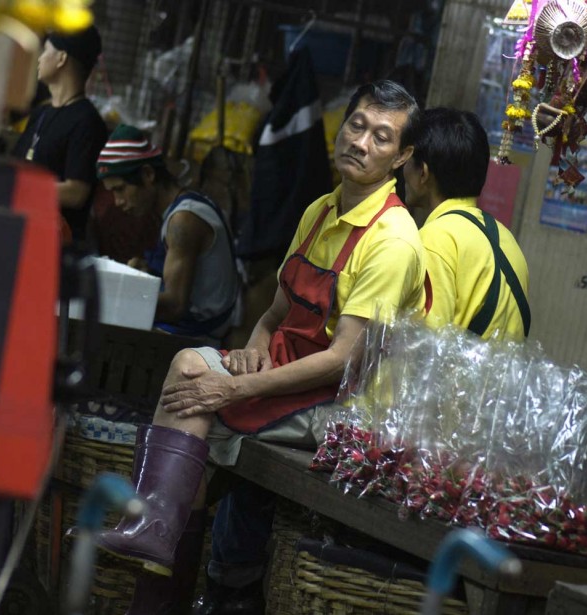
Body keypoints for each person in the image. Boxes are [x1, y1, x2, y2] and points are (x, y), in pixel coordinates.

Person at [91, 80, 427, 615]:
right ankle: (155, 533)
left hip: (345, 409)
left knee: (196, 398)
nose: (361, 142)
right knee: (188, 366)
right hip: (290, 377)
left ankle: (157, 547)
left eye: (382, 137)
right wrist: (253, 348)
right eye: (357, 126)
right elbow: (273, 315)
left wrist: (238, 384)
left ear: (403, 156)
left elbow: (343, 358)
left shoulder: (393, 241)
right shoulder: (320, 211)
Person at [96, 125, 240, 344]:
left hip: (197, 338)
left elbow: (174, 306)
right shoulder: (184, 207)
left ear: (147, 174)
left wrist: (113, 296)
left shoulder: (183, 220)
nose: (118, 202)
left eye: (121, 189)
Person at [402, 107, 530, 341]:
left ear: (423, 173)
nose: (402, 169)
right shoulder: (506, 239)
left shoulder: (437, 238)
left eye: (408, 159)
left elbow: (423, 350)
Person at [13, 26, 107, 242]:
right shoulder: (41, 113)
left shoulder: (86, 122)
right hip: (20, 231)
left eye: (46, 50)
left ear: (61, 58)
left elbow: (76, 192)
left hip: (54, 244)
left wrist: (20, 188)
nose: (39, 58)